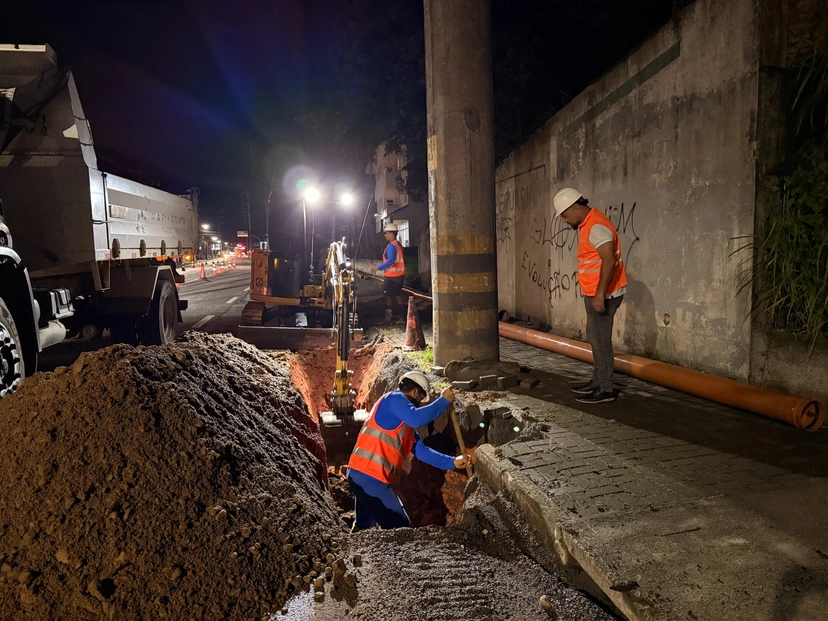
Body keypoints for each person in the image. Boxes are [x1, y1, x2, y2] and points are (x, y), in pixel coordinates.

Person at [346, 370, 471, 530]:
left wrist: (453, 462)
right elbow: (417, 418)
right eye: (420, 399)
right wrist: (443, 401)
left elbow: (422, 452)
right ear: (414, 392)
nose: (419, 404)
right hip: (370, 478)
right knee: (401, 529)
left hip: (361, 476)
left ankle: (354, 550)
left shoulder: (405, 427)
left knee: (363, 525)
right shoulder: (393, 398)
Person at [553, 187, 628, 404]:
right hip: (596, 293)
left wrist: (599, 295)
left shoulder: (596, 226)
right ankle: (597, 381)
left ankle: (605, 388)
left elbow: (608, 261)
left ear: (576, 207)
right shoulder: (589, 225)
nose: (566, 221)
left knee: (601, 341)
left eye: (566, 216)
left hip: (604, 294)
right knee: (596, 340)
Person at [374, 223, 407, 324]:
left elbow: (390, 261)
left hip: (392, 276)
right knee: (397, 295)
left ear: (391, 233)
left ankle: (389, 317)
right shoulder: (398, 245)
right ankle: (403, 317)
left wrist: (377, 268)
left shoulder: (392, 246)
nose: (385, 235)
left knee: (388, 296)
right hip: (399, 275)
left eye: (386, 233)